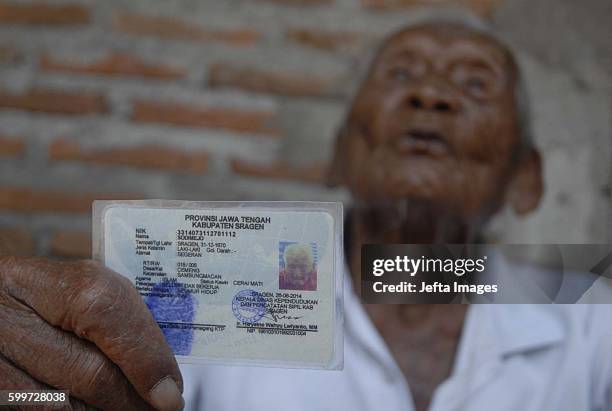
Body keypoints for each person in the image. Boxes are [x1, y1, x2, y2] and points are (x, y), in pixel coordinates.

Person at [1, 17, 611, 411]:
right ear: (340, 156)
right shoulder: (211, 302)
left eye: (475, 85)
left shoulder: (593, 327)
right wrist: (37, 394)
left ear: (525, 178)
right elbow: (72, 397)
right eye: (401, 75)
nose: (431, 95)